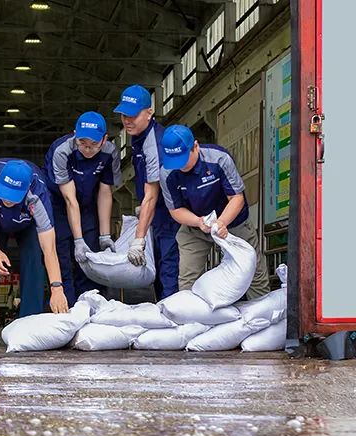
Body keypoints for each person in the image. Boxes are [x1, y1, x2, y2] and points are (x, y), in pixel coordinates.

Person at [160, 125, 270, 298]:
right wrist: (198, 222)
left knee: (254, 272)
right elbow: (176, 210)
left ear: (195, 146)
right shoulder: (167, 173)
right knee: (187, 279)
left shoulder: (218, 159)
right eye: (174, 160)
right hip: (195, 225)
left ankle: (263, 317)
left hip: (233, 221)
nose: (179, 165)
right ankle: (191, 320)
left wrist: (222, 223)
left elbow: (237, 198)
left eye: (182, 158)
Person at [0, 159, 69, 346]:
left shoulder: (38, 195)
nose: (7, 199)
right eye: (4, 193)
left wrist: (57, 288)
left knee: (33, 263)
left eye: (13, 196)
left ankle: (27, 326)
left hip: (28, 224)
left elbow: (49, 249)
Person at [44, 111, 121, 305]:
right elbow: (70, 200)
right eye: (83, 144)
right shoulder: (62, 151)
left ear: (104, 139)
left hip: (89, 203)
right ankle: (66, 310)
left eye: (94, 145)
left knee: (91, 255)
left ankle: (89, 307)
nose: (88, 150)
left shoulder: (110, 153)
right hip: (60, 204)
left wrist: (105, 235)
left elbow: (105, 193)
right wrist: (78, 240)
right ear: (74, 136)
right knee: (63, 255)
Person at [114, 84, 181, 299]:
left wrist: (138, 239)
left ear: (149, 112)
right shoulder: (138, 137)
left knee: (169, 270)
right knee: (160, 269)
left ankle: (172, 318)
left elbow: (152, 194)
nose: (127, 120)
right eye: (124, 115)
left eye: (132, 115)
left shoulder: (155, 143)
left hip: (170, 215)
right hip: (155, 214)